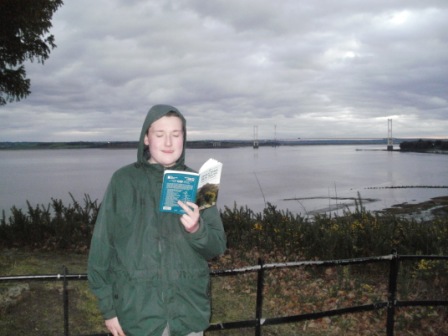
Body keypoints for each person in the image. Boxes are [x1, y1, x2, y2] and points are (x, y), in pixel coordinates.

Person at [88, 104, 227, 336]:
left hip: (188, 314)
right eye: (159, 134)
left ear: (184, 138)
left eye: (176, 134)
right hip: (138, 315)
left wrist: (197, 229)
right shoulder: (122, 181)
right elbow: (101, 249)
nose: (168, 143)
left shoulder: (201, 183)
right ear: (145, 138)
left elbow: (217, 247)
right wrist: (109, 310)